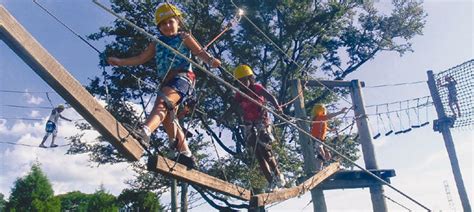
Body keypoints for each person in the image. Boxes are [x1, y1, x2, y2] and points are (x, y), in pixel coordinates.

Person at [107, 3, 221, 168]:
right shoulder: (157, 42)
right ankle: (185, 154)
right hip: (166, 81)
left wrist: (210, 60)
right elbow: (141, 58)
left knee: (163, 101)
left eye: (171, 21)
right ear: (159, 27)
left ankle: (144, 132)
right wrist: (120, 62)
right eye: (163, 24)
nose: (167, 26)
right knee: (169, 118)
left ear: (178, 22)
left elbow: (199, 52)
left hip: (183, 77)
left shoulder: (184, 37)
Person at [224, 64, 285, 190]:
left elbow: (270, 97)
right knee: (257, 153)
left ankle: (278, 175)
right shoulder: (239, 94)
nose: (242, 83)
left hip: (261, 120)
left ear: (250, 78)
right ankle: (271, 181)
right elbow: (233, 106)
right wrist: (223, 117)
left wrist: (277, 107)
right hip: (249, 123)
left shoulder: (257, 88)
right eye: (239, 81)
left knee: (265, 149)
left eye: (244, 80)